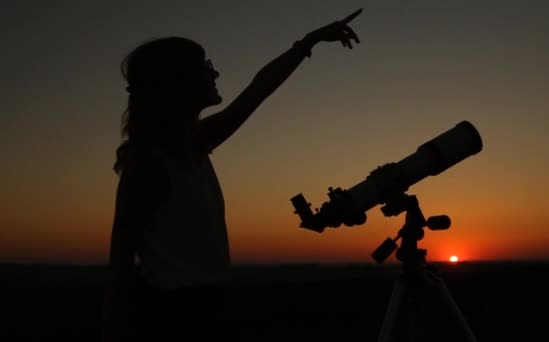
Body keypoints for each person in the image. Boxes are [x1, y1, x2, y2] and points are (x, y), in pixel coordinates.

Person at [101, 8, 363, 341]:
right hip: (173, 316)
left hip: (205, 307)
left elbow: (258, 90)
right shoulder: (148, 165)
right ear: (176, 83)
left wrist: (309, 41)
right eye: (205, 67)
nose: (216, 73)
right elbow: (120, 265)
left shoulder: (195, 144)